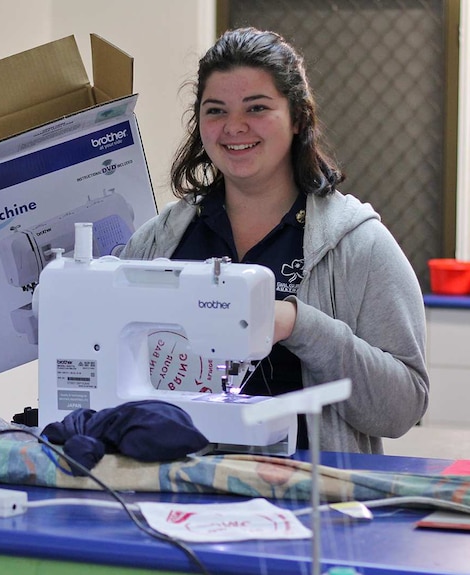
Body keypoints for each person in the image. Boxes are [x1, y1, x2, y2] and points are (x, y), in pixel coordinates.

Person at [121, 28, 429, 454]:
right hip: (176, 496)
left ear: (298, 117)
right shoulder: (159, 241)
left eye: (257, 107)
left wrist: (298, 325)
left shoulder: (359, 246)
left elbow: (403, 408)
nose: (234, 127)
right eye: (216, 111)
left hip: (308, 504)